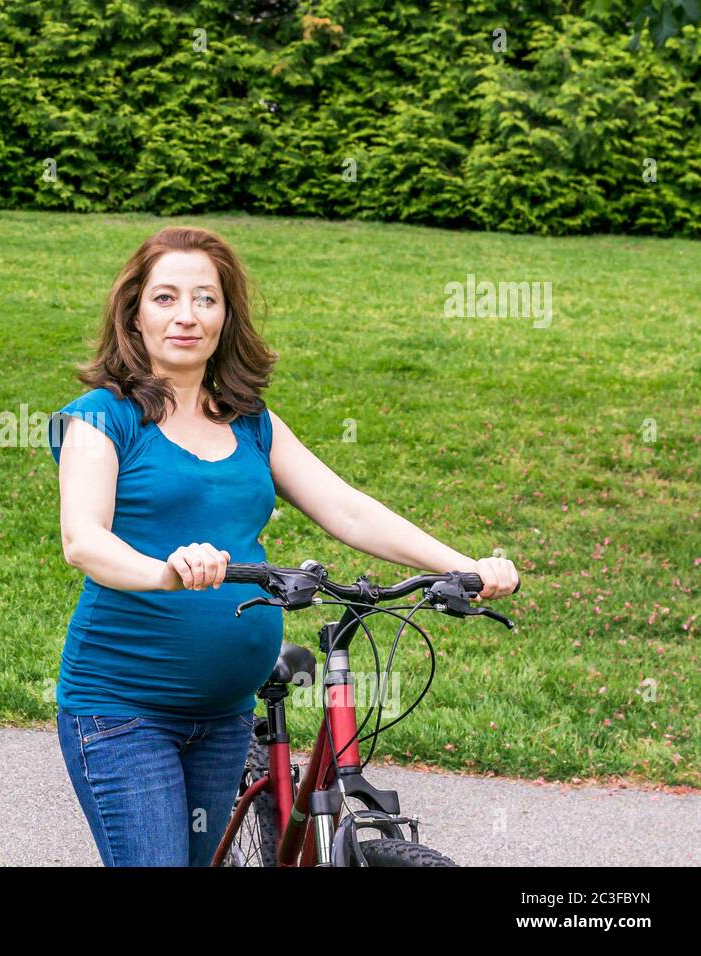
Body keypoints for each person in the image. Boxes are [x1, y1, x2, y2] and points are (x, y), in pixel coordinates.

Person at [47, 225, 519, 867]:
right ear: (133, 312)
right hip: (123, 713)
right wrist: (169, 571)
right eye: (164, 298)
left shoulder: (250, 420)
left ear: (227, 315)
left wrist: (460, 565)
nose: (186, 315)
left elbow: (347, 510)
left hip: (224, 714)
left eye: (205, 299)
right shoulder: (102, 418)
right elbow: (84, 541)